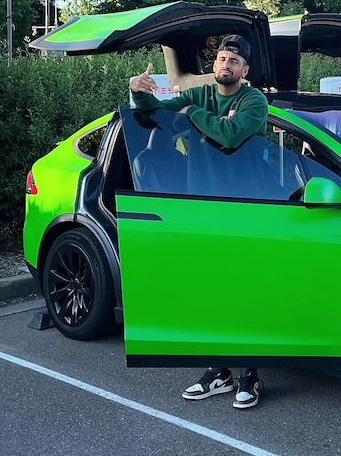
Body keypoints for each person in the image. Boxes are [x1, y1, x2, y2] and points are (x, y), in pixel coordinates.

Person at [129, 35, 267, 409]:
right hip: (200, 210)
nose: (226, 65)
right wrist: (139, 92)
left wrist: (193, 116)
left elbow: (231, 135)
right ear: (214, 64)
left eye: (233, 61)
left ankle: (250, 376)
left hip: (246, 211)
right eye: (221, 58)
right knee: (210, 293)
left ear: (245, 70)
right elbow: (154, 116)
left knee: (242, 293)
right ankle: (219, 371)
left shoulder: (254, 101)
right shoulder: (199, 95)